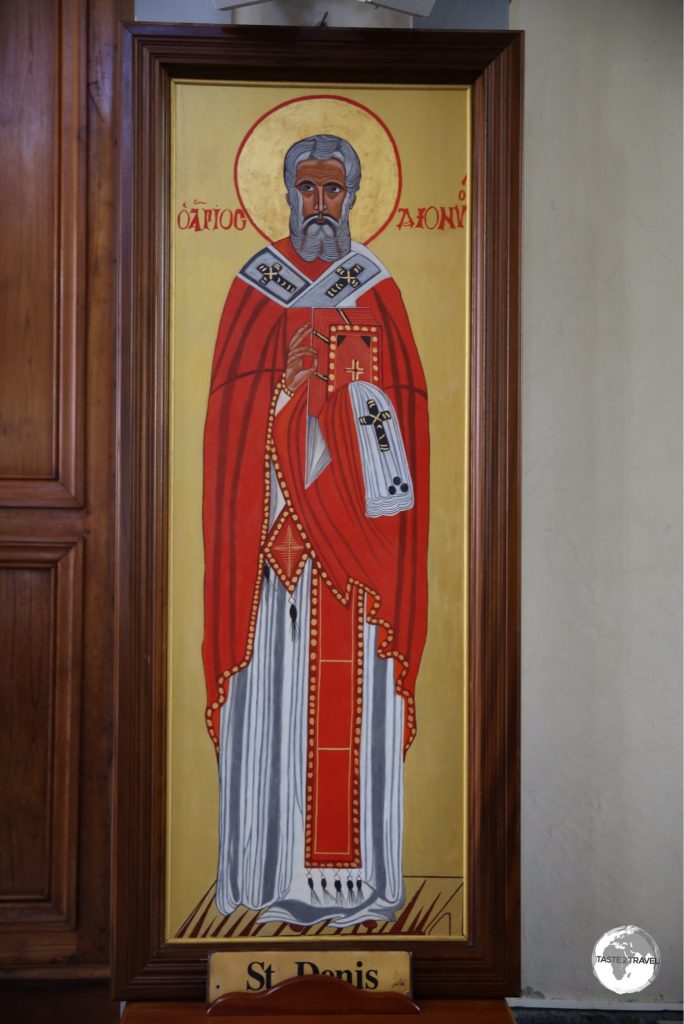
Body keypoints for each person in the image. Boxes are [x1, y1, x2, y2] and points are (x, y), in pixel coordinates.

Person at [202, 134, 429, 927]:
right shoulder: (255, 288)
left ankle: (355, 880)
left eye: (335, 190)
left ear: (355, 198)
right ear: (287, 194)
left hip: (355, 554)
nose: (321, 205)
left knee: (349, 706)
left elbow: (404, 413)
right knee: (274, 706)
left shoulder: (376, 289)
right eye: (308, 189)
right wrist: (280, 397)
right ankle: (267, 872)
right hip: (270, 549)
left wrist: (339, 401)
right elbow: (228, 415)